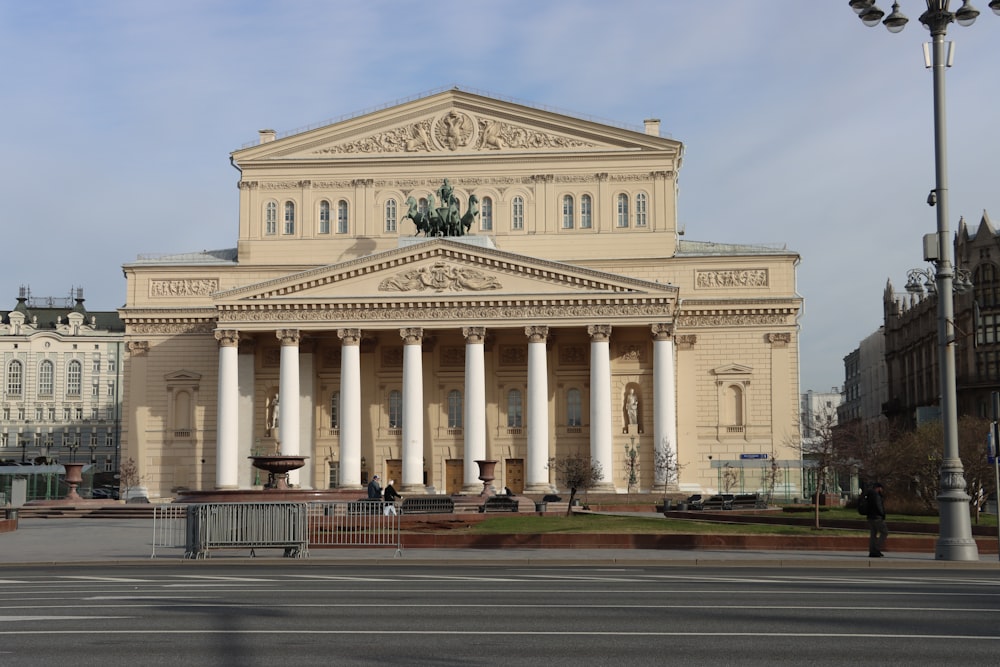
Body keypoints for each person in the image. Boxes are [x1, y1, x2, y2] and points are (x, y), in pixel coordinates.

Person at [866, 482, 888, 557]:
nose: (881, 490)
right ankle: (876, 548)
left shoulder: (869, 494)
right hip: (877, 517)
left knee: (873, 534)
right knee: (884, 532)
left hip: (870, 517)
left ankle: (872, 551)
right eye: (881, 488)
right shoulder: (876, 496)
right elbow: (879, 507)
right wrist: (883, 515)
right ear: (878, 488)